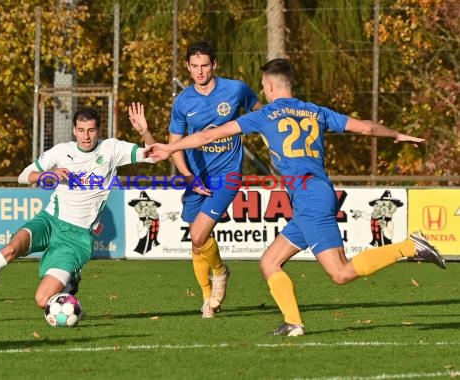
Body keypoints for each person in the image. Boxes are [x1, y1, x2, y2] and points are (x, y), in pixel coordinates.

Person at [145, 58, 446, 335]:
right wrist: (396, 135)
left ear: (272, 86)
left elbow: (210, 135)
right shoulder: (317, 112)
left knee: (340, 273)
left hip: (310, 198)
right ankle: (293, 322)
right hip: (310, 196)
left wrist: (170, 148)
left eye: (263, 85)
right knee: (269, 262)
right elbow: (366, 128)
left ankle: (410, 246)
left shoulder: (264, 115)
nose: (262, 89)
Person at [0, 105, 156, 315]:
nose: (86, 136)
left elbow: (152, 155)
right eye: (80, 130)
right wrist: (46, 175)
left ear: (98, 130)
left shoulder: (112, 149)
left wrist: (144, 131)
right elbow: (23, 176)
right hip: (49, 220)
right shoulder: (62, 151)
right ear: (74, 130)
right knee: (11, 249)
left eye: (90, 130)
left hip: (76, 238)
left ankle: (70, 283)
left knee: (42, 300)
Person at [162, 41, 263, 318]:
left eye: (205, 65)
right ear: (187, 67)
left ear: (215, 64)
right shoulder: (183, 101)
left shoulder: (236, 89)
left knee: (198, 234)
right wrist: (187, 176)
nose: (200, 71)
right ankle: (207, 299)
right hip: (197, 179)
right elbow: (175, 144)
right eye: (194, 66)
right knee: (197, 244)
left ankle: (220, 272)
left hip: (227, 176)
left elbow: (262, 112)